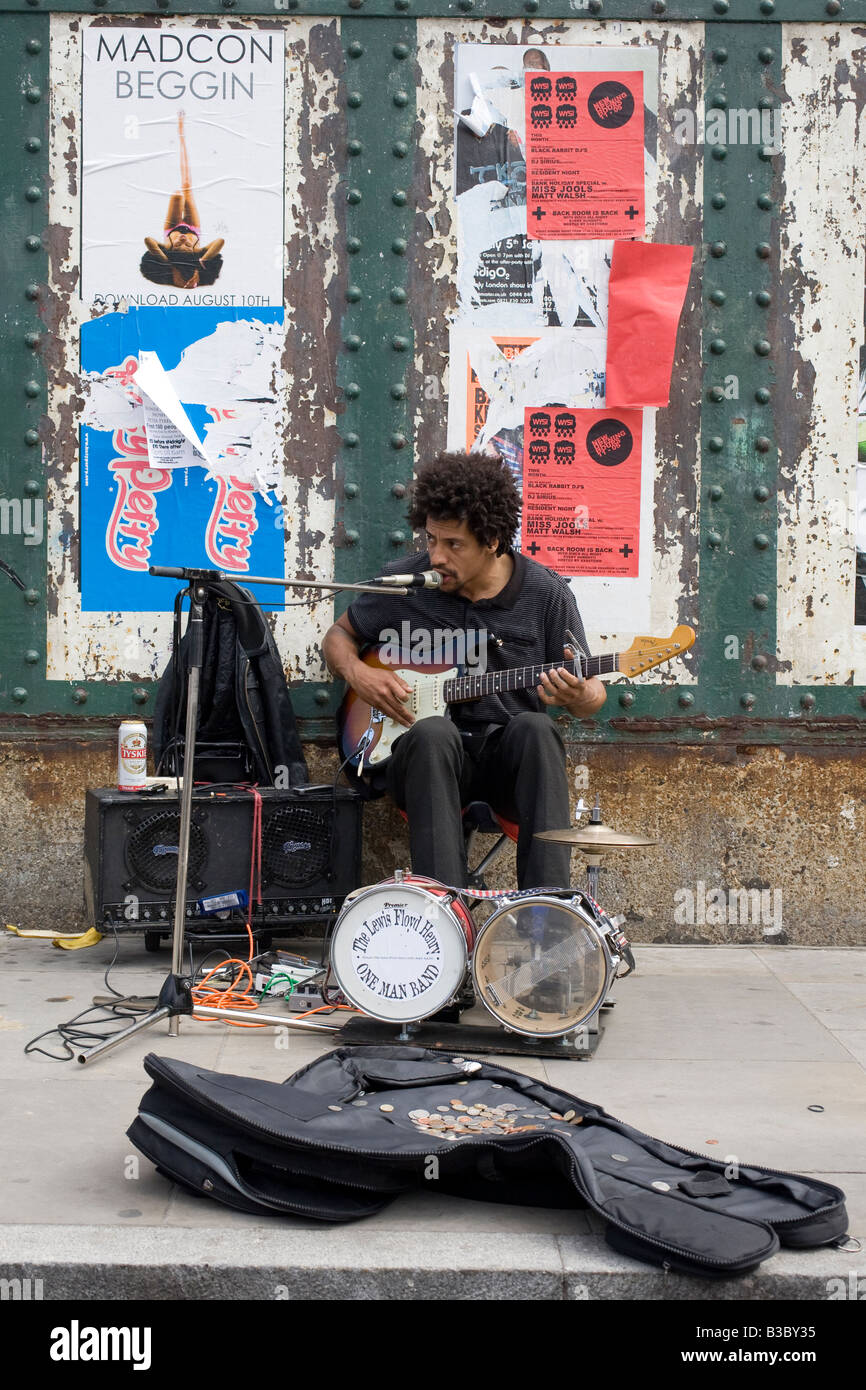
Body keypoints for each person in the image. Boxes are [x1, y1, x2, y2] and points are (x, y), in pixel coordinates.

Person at [323, 450, 606, 890]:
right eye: (431, 540)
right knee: (434, 733)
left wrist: (580, 696)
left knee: (536, 729)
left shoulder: (546, 593)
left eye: (453, 545)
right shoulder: (407, 583)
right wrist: (360, 675)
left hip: (505, 769)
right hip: (423, 763)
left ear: (491, 540)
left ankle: (548, 906)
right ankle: (445, 911)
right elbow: (339, 636)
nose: (436, 556)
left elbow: (592, 695)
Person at [140, 112, 225, 290]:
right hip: (194, 226)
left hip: (171, 227)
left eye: (179, 243)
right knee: (187, 185)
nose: (183, 238)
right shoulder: (197, 251)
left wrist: (165, 260)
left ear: (173, 249)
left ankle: (175, 142)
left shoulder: (168, 248)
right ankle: (181, 135)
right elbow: (220, 241)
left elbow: (148, 240)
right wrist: (203, 259)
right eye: (187, 243)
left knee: (178, 195)